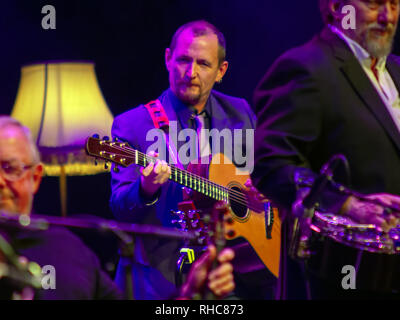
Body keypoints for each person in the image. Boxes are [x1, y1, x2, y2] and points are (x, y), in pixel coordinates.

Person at [110, 20, 275, 299]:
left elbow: (268, 174)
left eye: (203, 64)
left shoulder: (240, 113)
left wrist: (264, 193)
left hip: (234, 274)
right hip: (161, 278)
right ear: (167, 59)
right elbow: (120, 208)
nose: (191, 73)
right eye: (184, 60)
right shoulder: (132, 125)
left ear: (221, 70)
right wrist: (146, 188)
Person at [251, 0, 400, 299]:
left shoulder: (396, 70)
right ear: (335, 6)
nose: (387, 17)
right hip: (334, 278)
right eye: (373, 3)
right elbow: (270, 164)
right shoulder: (306, 66)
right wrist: (348, 205)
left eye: (394, 3)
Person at [0, 116, 234, 300]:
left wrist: (190, 295)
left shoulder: (71, 250)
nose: (0, 181)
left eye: (10, 168)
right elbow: (122, 205)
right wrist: (145, 188)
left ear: (36, 177)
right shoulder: (135, 121)